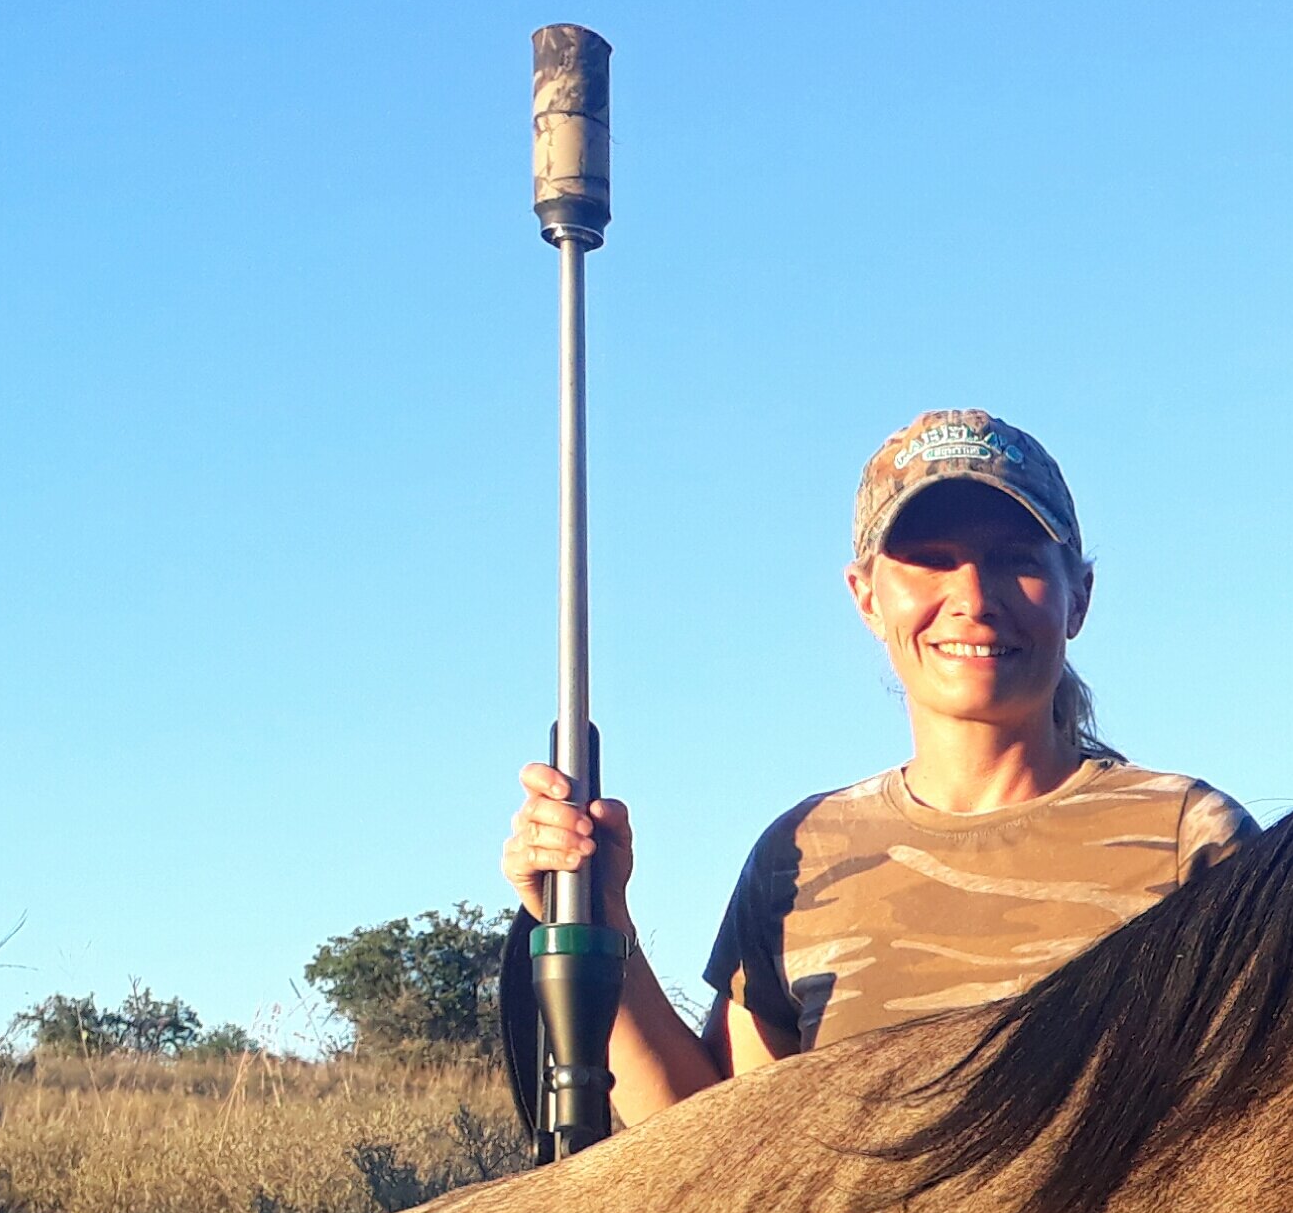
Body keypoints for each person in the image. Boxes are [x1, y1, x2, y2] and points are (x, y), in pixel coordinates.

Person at [500, 410, 1250, 1124]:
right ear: (866, 597)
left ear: (1078, 595)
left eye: (1016, 562)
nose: (973, 599)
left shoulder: (1191, 840)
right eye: (928, 561)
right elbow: (717, 1160)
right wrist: (597, 922)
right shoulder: (798, 855)